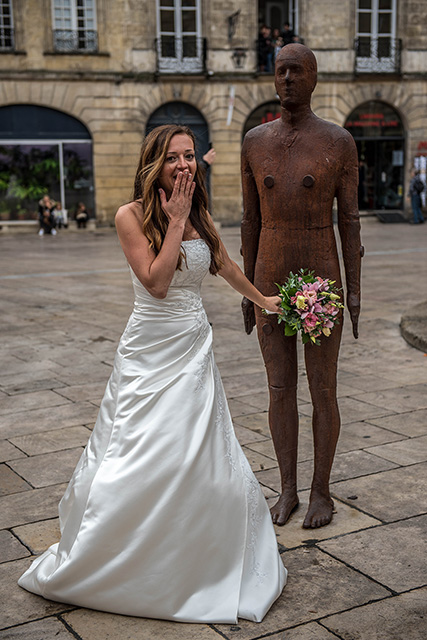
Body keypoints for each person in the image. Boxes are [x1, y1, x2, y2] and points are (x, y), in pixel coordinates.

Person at [18, 124, 287, 623]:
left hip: (194, 345)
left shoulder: (200, 212)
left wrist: (262, 300)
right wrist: (177, 220)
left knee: (200, 447)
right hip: (150, 349)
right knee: (144, 447)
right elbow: (158, 284)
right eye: (173, 158)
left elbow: (224, 265)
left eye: (189, 156)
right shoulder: (130, 216)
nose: (185, 165)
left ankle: (199, 546)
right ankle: (127, 553)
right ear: (153, 163)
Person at [241, 44, 362, 530]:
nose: (288, 79)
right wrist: (248, 291)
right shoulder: (254, 140)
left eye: (297, 71)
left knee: (323, 389)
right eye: (281, 71)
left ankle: (321, 491)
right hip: (270, 268)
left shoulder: (338, 141)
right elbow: (250, 220)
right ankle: (287, 488)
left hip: (320, 271)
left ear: (314, 78)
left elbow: (350, 221)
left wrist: (354, 291)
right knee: (278, 387)